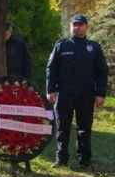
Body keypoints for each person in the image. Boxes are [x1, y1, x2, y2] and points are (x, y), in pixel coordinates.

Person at [46, 14, 109, 169]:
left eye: (80, 25)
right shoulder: (61, 45)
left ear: (86, 27)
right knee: (62, 127)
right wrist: (50, 90)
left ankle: (84, 161)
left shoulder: (94, 47)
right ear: (70, 27)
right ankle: (61, 159)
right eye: (74, 24)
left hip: (86, 94)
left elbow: (102, 72)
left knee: (84, 128)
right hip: (64, 93)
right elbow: (51, 69)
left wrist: (100, 93)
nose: (77, 27)